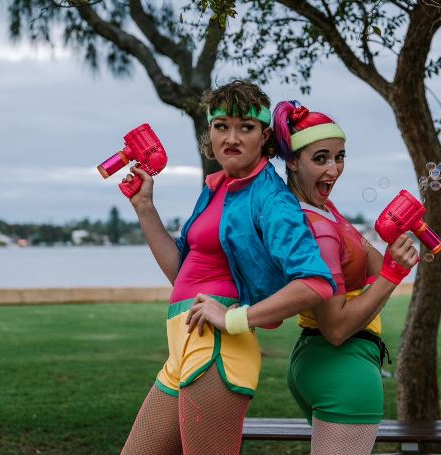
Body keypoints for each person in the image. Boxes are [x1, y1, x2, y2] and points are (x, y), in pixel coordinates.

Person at [119, 82, 336, 455]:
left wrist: (235, 318)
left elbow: (315, 283)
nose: (231, 137)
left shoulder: (270, 198)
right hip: (183, 347)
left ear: (264, 135)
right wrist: (144, 207)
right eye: (221, 126)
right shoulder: (216, 188)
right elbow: (182, 275)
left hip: (216, 351)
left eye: (245, 127)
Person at [272, 100, 420, 455]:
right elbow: (336, 328)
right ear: (292, 161)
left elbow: (371, 270)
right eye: (320, 158)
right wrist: (394, 272)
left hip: (318, 362)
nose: (334, 169)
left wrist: (389, 249)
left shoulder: (321, 208)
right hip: (343, 367)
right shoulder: (318, 227)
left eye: (340, 157)